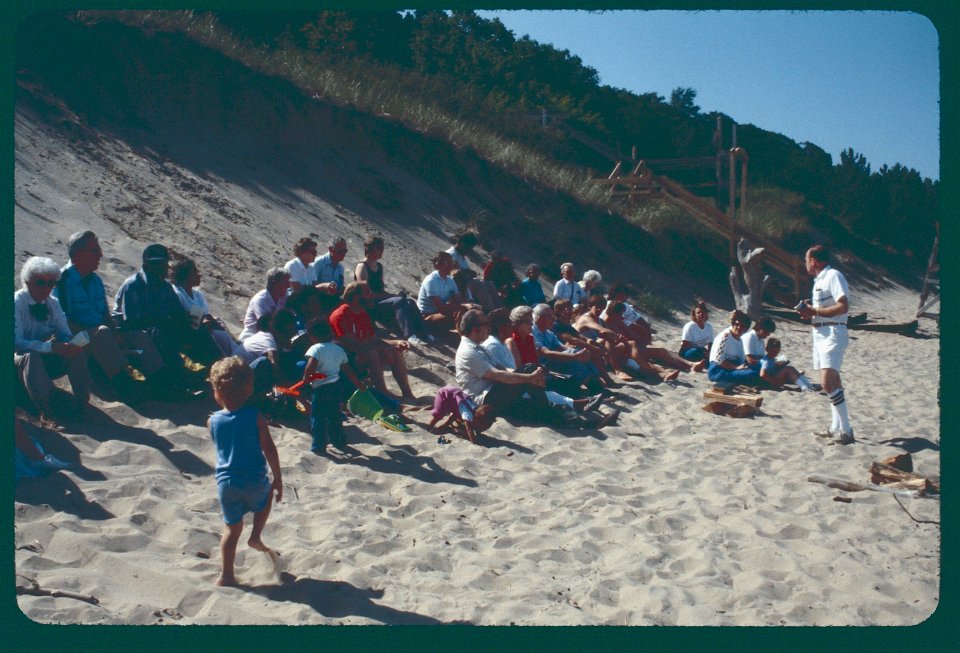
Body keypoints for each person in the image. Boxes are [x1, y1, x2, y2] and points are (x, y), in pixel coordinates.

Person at [54, 230, 169, 401]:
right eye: (95, 251)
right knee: (102, 333)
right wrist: (97, 333)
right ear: (79, 254)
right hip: (76, 339)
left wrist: (116, 333)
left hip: (101, 334)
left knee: (140, 337)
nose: (100, 254)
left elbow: (104, 313)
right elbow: (62, 322)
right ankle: (124, 386)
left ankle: (162, 382)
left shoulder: (95, 281)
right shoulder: (62, 280)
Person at [207, 356, 282, 586]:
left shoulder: (212, 421)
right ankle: (256, 536)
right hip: (253, 479)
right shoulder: (256, 417)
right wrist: (278, 478)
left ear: (217, 392)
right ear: (249, 389)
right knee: (267, 494)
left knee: (231, 529)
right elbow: (268, 448)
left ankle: (226, 575)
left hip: (225, 483)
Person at [113, 243, 221, 369]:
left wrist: (190, 320)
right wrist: (166, 321)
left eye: (163, 264)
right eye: (156, 265)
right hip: (131, 334)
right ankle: (178, 372)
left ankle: (218, 366)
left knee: (198, 330)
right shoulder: (133, 286)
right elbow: (132, 322)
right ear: (146, 266)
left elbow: (177, 312)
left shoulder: (165, 287)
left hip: (161, 327)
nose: (162, 269)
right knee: (159, 333)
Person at [15, 256, 91, 424]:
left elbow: (64, 332)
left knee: (76, 351)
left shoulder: (53, 303)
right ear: (27, 282)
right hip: (16, 364)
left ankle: (81, 402)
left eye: (51, 283)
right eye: (40, 283)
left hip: (42, 360)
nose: (46, 288)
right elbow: (16, 342)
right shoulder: (16, 303)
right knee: (30, 356)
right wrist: (51, 348)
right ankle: (48, 411)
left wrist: (70, 343)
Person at [797, 245, 854, 444]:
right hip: (821, 333)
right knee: (833, 382)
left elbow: (843, 305)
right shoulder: (819, 281)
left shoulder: (834, 276)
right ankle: (836, 426)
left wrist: (816, 311)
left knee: (827, 382)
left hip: (833, 332)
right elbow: (822, 308)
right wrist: (810, 311)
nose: (806, 264)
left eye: (806, 260)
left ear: (813, 260)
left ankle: (846, 430)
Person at [329, 281, 417, 403]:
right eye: (367, 293)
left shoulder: (362, 313)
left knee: (394, 350)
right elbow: (353, 345)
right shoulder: (340, 315)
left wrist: (395, 343)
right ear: (355, 297)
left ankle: (407, 394)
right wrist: (382, 348)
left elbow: (372, 339)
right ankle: (384, 395)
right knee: (372, 354)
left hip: (359, 354)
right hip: (346, 361)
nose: (371, 296)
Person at [302, 320, 366, 454]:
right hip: (335, 387)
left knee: (318, 417)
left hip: (320, 389)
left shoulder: (316, 348)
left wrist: (306, 379)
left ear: (313, 336)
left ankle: (318, 446)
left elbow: (311, 366)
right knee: (334, 416)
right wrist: (358, 384)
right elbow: (347, 369)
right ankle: (339, 442)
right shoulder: (338, 349)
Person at [354, 235, 431, 345]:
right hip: (369, 305)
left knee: (410, 302)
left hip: (380, 300)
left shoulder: (379, 266)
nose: (381, 251)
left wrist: (394, 295)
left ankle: (426, 334)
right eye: (378, 248)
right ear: (370, 249)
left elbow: (380, 290)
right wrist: (390, 297)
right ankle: (409, 335)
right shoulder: (362, 266)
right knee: (398, 301)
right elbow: (365, 294)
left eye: (382, 248)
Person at [531, 303, 605, 397]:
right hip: (542, 365)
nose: (553, 319)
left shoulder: (548, 332)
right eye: (550, 317)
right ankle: (596, 388)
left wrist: (578, 353)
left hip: (553, 361)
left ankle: (597, 384)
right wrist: (574, 355)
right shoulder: (532, 333)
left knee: (577, 352)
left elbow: (562, 347)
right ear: (540, 318)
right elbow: (546, 353)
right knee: (574, 356)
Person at [171, 258, 235, 357]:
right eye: (195, 273)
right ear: (186, 276)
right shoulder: (177, 294)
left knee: (223, 335)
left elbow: (206, 315)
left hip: (206, 330)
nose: (199, 275)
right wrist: (203, 319)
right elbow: (184, 319)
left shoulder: (198, 295)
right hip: (191, 335)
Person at [417, 251, 477, 334]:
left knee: (470, 311)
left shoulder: (450, 280)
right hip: (427, 316)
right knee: (459, 312)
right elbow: (440, 307)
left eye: (451, 263)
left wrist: (467, 306)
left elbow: (458, 301)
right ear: (438, 265)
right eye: (447, 263)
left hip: (440, 313)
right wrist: (463, 306)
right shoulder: (431, 281)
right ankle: (464, 335)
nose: (450, 266)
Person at [707, 310, 760, 386]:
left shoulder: (739, 339)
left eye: (742, 326)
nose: (739, 327)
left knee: (758, 367)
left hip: (731, 366)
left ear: (745, 328)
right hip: (718, 370)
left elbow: (740, 358)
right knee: (752, 374)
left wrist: (743, 366)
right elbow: (718, 360)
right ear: (733, 323)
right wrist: (736, 368)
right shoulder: (725, 336)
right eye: (737, 324)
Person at [426, 386, 496, 444]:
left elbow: (456, 415)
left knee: (457, 414)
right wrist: (474, 442)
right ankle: (429, 428)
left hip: (456, 399)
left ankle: (445, 425)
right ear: (477, 417)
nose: (481, 430)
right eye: (481, 427)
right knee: (439, 414)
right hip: (445, 393)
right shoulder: (467, 414)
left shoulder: (474, 410)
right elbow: (469, 430)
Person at [239, 268, 290, 340]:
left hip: (272, 338)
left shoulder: (283, 297)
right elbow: (265, 326)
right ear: (274, 283)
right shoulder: (260, 300)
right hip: (253, 338)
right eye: (285, 283)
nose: (288, 286)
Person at [312, 236, 348, 311]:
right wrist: (325, 286)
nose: (343, 254)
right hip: (317, 299)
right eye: (339, 251)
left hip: (333, 299)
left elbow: (340, 289)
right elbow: (311, 285)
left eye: (345, 251)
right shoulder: (319, 263)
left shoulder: (340, 268)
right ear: (331, 249)